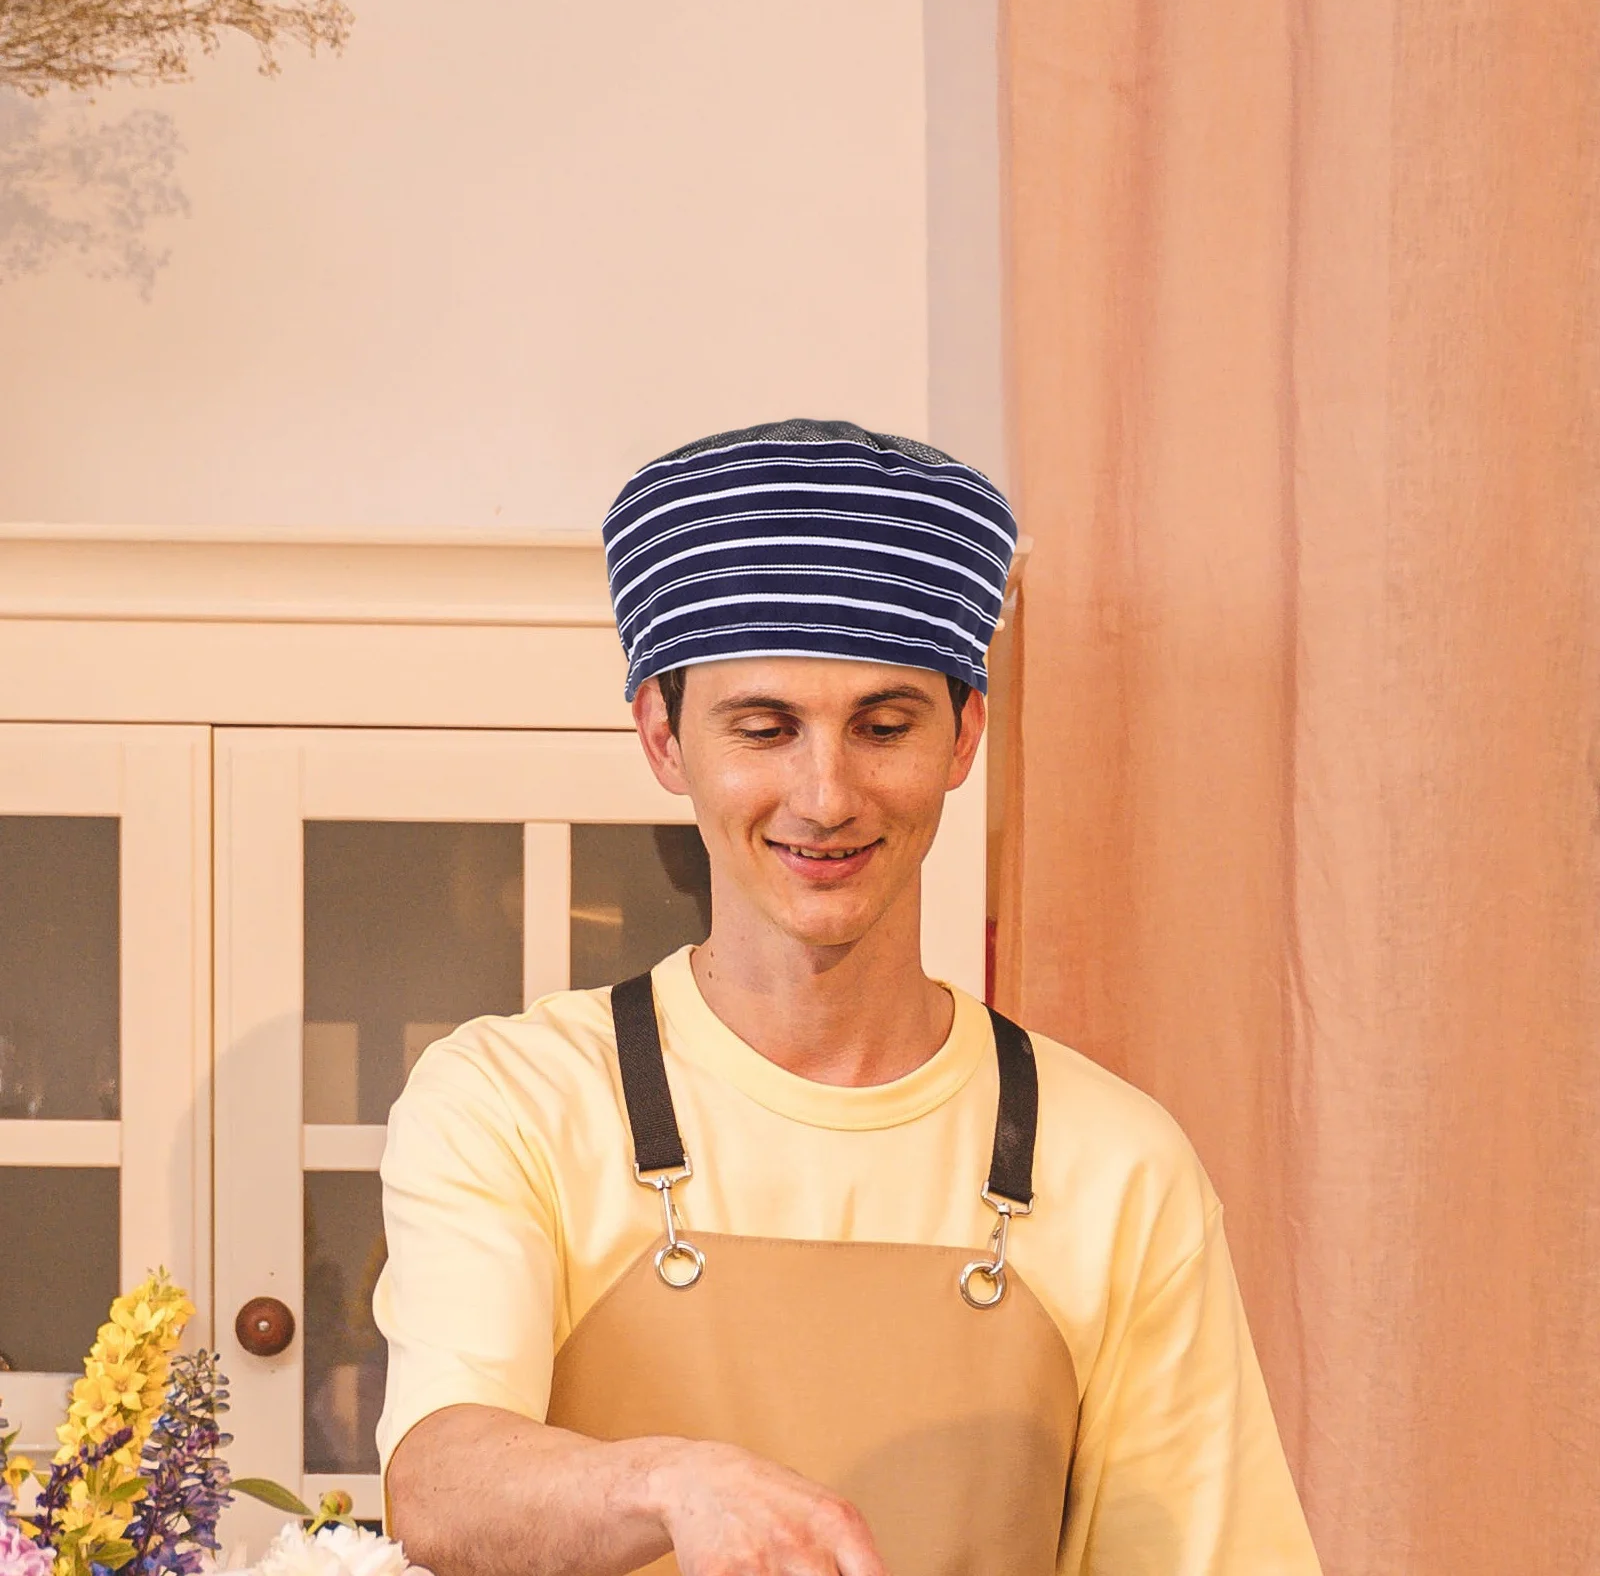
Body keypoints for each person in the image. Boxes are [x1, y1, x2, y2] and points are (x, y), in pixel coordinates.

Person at [375, 420, 1322, 1575]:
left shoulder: (1119, 1164)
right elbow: (440, 1478)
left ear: (964, 733)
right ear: (663, 737)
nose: (826, 795)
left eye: (884, 726)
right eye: (764, 728)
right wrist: (672, 1482)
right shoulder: (513, 1101)